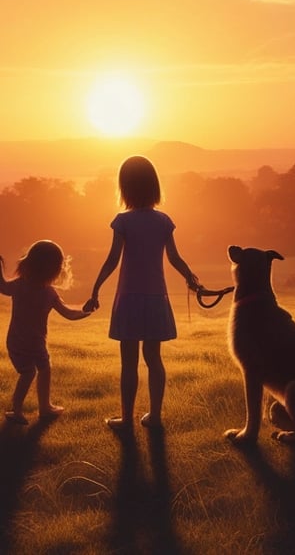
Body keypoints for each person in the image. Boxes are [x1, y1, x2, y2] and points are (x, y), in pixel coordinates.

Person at [84, 155, 200, 431]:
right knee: (154, 359)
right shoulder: (163, 221)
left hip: (129, 300)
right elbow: (174, 258)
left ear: (124, 188)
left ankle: (126, 420)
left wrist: (96, 288)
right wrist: (191, 279)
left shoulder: (123, 221)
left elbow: (113, 260)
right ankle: (155, 416)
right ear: (154, 186)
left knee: (129, 363)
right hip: (156, 299)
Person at [0, 240, 92, 424]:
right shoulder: (48, 293)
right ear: (55, 270)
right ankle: (31, 409)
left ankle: (32, 409)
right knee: (35, 371)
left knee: (37, 371)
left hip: (20, 342)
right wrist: (86, 311)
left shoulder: (20, 285)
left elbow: (2, 286)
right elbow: (69, 314)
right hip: (30, 343)